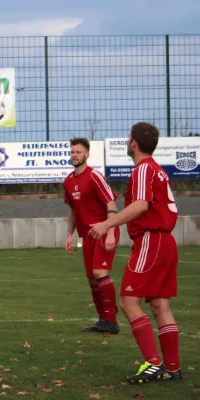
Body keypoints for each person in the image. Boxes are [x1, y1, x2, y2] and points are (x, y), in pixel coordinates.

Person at [89, 122, 182, 383]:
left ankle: (153, 364)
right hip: (166, 242)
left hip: (151, 241)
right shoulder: (158, 170)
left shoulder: (143, 169)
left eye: (129, 137)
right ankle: (172, 368)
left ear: (134, 144)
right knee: (160, 304)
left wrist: (107, 223)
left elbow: (141, 205)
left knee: (129, 302)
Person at [63, 137, 120, 334]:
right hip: (88, 236)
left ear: (87, 155)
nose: (74, 155)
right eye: (72, 152)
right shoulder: (68, 181)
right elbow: (73, 210)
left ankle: (111, 320)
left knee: (99, 273)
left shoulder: (95, 176)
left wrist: (111, 232)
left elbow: (111, 205)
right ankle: (103, 319)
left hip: (104, 231)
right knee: (91, 279)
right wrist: (70, 234)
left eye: (78, 152)